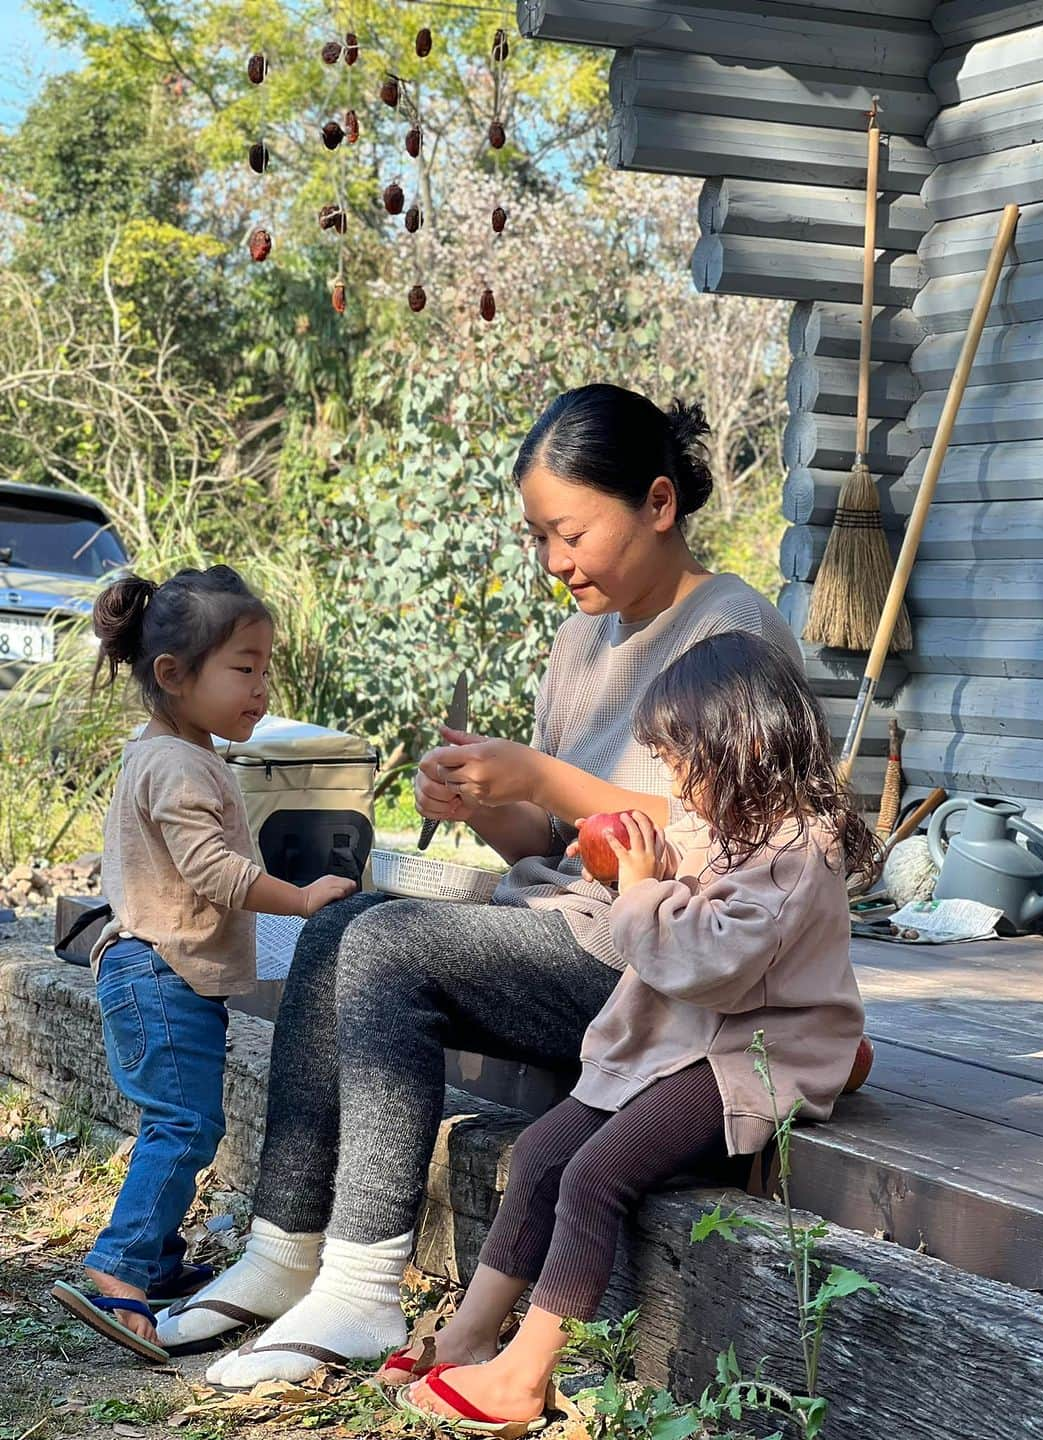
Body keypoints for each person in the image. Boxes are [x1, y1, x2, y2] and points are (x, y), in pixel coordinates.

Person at [159, 383, 804, 1387]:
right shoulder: (582, 639)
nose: (554, 563)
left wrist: (542, 776)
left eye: (571, 532)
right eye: (537, 536)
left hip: (661, 960)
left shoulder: (731, 636)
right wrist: (487, 800)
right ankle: (286, 1250)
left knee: (387, 944)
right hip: (563, 927)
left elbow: (725, 848)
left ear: (661, 503)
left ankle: (364, 1287)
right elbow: (547, 842)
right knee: (347, 922)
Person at [390, 629, 874, 1435]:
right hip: (688, 1039)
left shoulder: (801, 847)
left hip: (757, 1057)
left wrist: (644, 889)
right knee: (544, 1152)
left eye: (683, 762)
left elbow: (714, 962)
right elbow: (674, 878)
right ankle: (473, 1334)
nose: (676, 786)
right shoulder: (734, 820)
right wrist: (619, 866)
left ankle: (526, 1370)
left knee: (595, 1176)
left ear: (743, 744)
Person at [51, 566, 356, 1364]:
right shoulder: (181, 768)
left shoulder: (171, 751)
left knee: (185, 1122)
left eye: (266, 668)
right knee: (185, 1125)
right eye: (244, 668)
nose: (261, 688)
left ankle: (151, 1264)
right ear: (174, 675)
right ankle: (117, 1271)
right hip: (159, 975)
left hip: (161, 971)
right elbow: (212, 871)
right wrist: (300, 899)